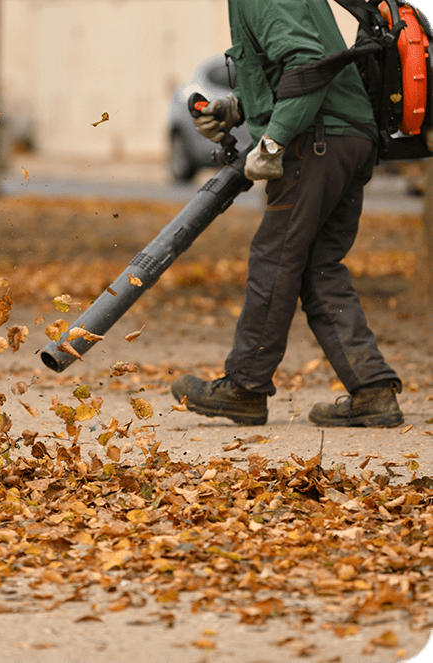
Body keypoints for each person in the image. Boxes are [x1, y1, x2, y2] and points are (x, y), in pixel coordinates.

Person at [170, 0, 404, 428]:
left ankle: (245, 387)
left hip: (316, 141)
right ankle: (372, 390)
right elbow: (298, 67)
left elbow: (308, 61)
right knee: (320, 268)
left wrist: (274, 140)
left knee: (274, 260)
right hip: (350, 137)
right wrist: (238, 108)